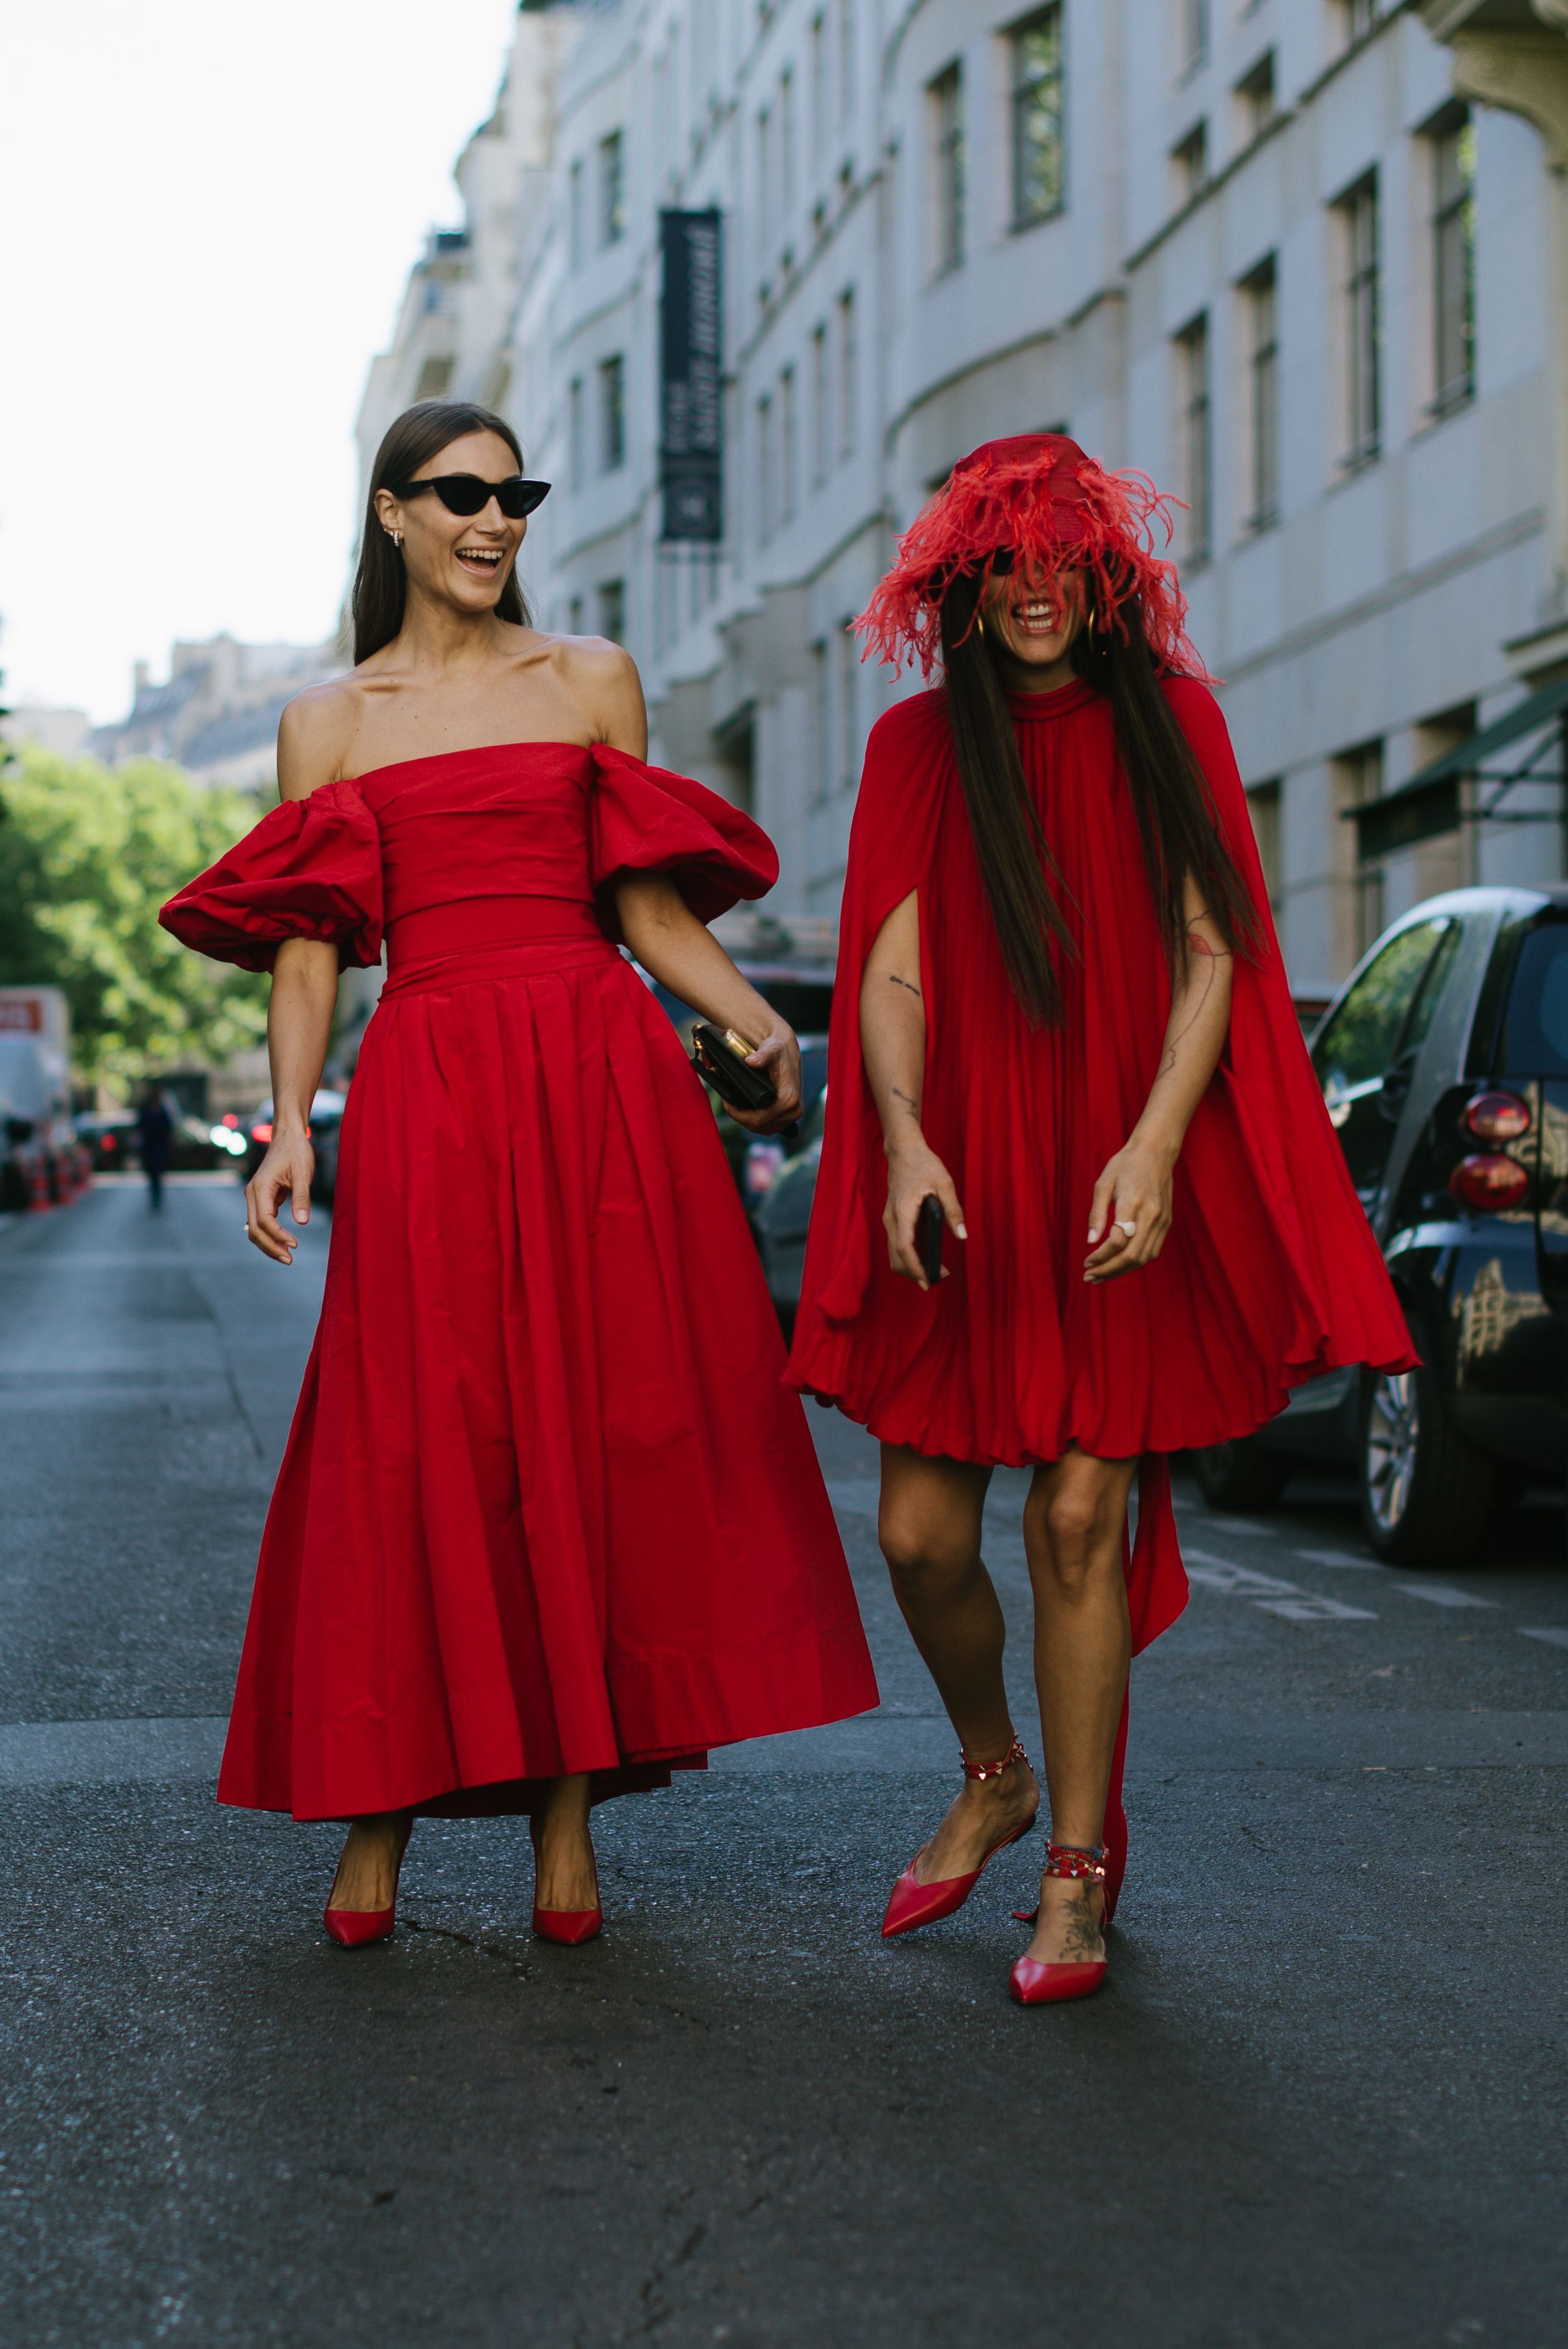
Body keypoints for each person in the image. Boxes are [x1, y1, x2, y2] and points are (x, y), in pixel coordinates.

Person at [160, 399, 876, 1948]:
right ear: (394, 513)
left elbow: (647, 907)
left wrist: (751, 1018)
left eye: (517, 495)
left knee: (581, 1421)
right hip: (428, 1079)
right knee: (412, 1428)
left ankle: (568, 1814)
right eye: (464, 494)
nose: (497, 520)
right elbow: (304, 953)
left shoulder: (590, 681)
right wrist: (288, 1123)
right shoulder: (331, 719)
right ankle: (376, 1805)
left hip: (594, 1074)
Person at [787, 435, 1414, 2005]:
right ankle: (991, 1768)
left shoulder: (1172, 723)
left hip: (1119, 1170)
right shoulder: (919, 749)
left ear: (1106, 569)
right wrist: (906, 1140)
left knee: (1077, 1519)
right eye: (1003, 563)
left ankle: (1075, 1871)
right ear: (961, 583)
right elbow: (897, 968)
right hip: (972, 1178)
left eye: (1063, 556)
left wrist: (1154, 1142)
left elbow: (1216, 952)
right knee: (922, 1536)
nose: (1036, 588)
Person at [136, 1085, 174, 1212]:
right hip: (150, 1147)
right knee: (152, 1174)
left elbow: (168, 1127)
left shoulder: (162, 1110)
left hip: (159, 1146)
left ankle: (157, 1198)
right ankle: (154, 1198)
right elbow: (140, 1126)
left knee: (158, 1174)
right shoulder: (146, 1110)